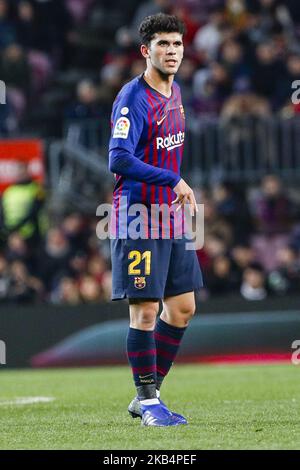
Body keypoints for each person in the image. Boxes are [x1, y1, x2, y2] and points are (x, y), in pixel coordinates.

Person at [108, 13, 203, 427]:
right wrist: (173, 178)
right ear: (145, 50)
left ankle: (148, 395)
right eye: (163, 44)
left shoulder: (176, 91)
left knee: (182, 308)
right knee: (145, 311)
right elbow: (119, 158)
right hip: (139, 215)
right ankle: (148, 403)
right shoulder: (133, 99)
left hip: (171, 216)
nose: (172, 52)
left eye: (177, 44)